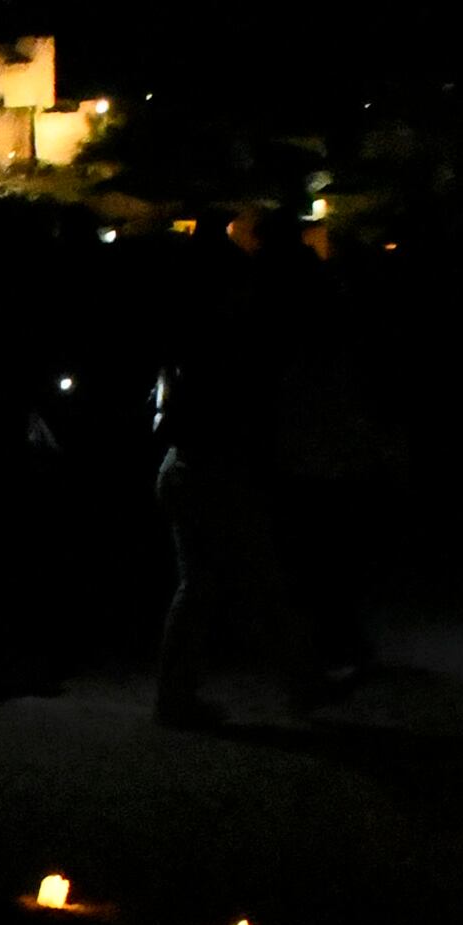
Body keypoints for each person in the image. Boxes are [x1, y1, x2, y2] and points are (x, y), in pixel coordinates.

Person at [148, 209, 346, 726]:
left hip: (188, 469)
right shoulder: (225, 346)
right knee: (253, 583)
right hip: (214, 471)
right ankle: (302, 687)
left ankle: (182, 697)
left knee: (206, 586)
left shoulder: (193, 342)